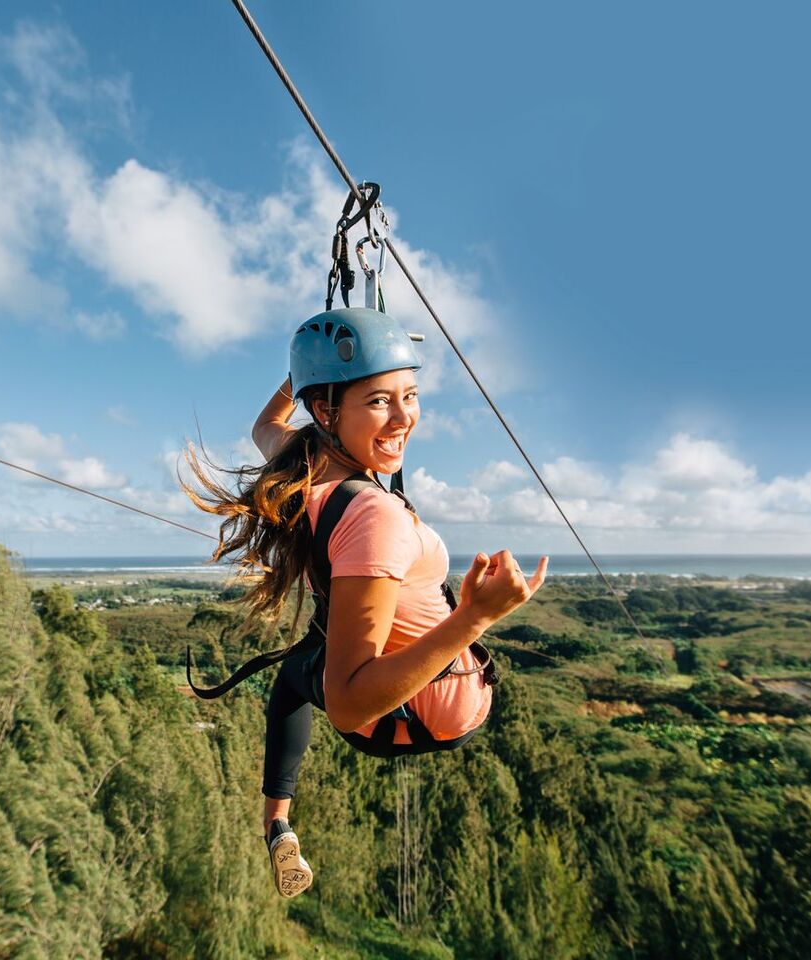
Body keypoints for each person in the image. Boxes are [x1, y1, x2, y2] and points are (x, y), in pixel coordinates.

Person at [185, 307, 549, 898]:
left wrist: (306, 373)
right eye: (379, 401)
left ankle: (275, 820)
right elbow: (351, 705)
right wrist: (476, 617)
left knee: (290, 681)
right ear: (327, 411)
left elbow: (265, 422)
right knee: (306, 676)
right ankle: (274, 820)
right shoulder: (374, 516)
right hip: (426, 708)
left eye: (410, 394)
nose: (405, 417)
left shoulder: (298, 465)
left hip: (402, 701)